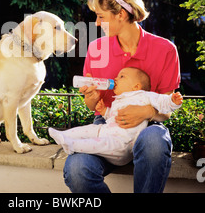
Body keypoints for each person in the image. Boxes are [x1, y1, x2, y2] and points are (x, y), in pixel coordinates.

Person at [63, 0, 181, 193]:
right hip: (108, 125)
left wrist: (146, 111)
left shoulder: (165, 50)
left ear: (121, 14)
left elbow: (167, 109)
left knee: (155, 140)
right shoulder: (96, 49)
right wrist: (91, 99)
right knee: (77, 168)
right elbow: (94, 107)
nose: (97, 24)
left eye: (101, 16)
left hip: (147, 127)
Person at [49, 67, 183, 166]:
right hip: (107, 131)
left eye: (121, 77)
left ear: (136, 86)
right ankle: (65, 135)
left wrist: (173, 101)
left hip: (121, 144)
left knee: (99, 144)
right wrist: (104, 112)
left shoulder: (144, 96)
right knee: (91, 129)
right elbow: (112, 118)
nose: (115, 79)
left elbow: (163, 102)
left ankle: (73, 145)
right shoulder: (118, 99)